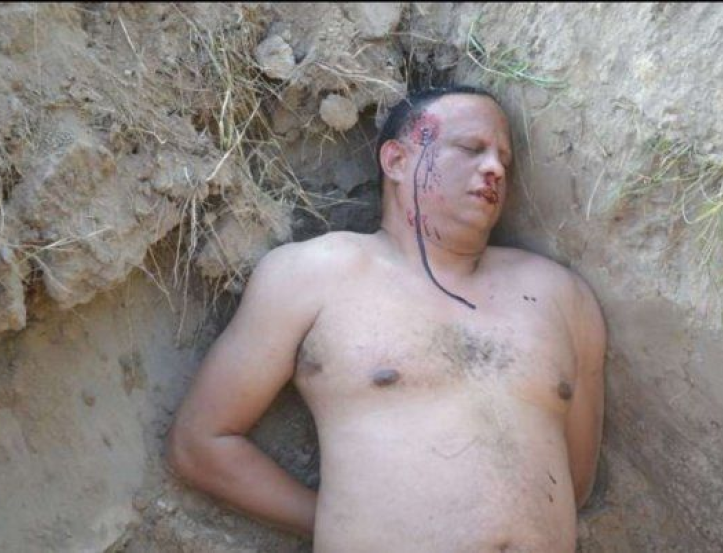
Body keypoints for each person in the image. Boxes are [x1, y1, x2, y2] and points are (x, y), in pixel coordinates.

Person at [166, 85, 606, 552]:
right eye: (470, 148)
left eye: (504, 159)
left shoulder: (563, 297)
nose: (495, 168)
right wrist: (339, 521)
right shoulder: (311, 275)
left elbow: (574, 483)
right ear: (396, 160)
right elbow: (200, 444)